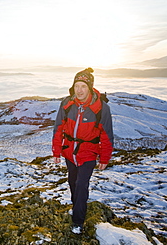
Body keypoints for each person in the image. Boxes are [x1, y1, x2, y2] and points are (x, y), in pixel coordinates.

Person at [52, 67, 114, 234]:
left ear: (90, 88)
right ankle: (76, 206)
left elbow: (106, 134)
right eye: (77, 86)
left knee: (81, 184)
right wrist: (56, 151)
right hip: (69, 152)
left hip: (88, 153)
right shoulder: (66, 104)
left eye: (83, 86)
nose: (79, 90)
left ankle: (78, 221)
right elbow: (58, 128)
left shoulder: (101, 108)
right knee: (72, 182)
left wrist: (104, 158)